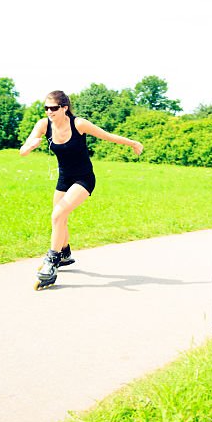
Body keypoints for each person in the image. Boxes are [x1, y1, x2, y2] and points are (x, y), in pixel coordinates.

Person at [19, 90, 143, 289]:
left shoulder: (79, 124)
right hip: (64, 179)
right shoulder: (43, 125)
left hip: (84, 178)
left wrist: (133, 143)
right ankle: (65, 253)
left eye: (53, 108)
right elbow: (23, 150)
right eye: (46, 108)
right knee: (60, 218)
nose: (49, 112)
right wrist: (29, 147)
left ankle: (52, 262)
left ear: (64, 108)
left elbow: (107, 136)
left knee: (58, 215)